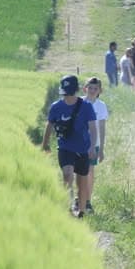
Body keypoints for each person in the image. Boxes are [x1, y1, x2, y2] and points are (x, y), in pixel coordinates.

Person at [41, 75, 97, 218]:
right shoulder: (56, 107)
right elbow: (49, 125)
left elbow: (92, 128)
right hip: (65, 148)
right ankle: (68, 208)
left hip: (82, 148)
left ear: (76, 90)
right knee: (67, 175)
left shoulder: (86, 107)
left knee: (81, 183)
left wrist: (91, 147)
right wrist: (45, 144)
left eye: (69, 91)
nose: (67, 95)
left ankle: (82, 212)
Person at [82, 77, 108, 214]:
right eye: (90, 88)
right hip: (79, 143)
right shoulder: (79, 103)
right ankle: (78, 198)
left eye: (95, 89)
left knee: (90, 172)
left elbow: (102, 127)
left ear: (99, 91)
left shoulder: (101, 106)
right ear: (85, 88)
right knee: (80, 171)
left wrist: (101, 148)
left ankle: (87, 201)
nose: (92, 91)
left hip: (94, 143)